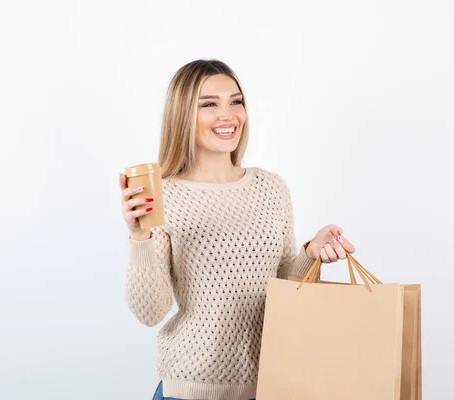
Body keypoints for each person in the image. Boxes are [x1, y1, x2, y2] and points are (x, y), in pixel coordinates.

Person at [119, 59, 356, 400]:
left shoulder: (271, 187)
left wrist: (310, 252)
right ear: (182, 114)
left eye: (236, 101)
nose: (228, 115)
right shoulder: (164, 194)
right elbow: (149, 312)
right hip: (191, 389)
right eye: (209, 104)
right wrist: (139, 237)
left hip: (273, 384)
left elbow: (282, 284)